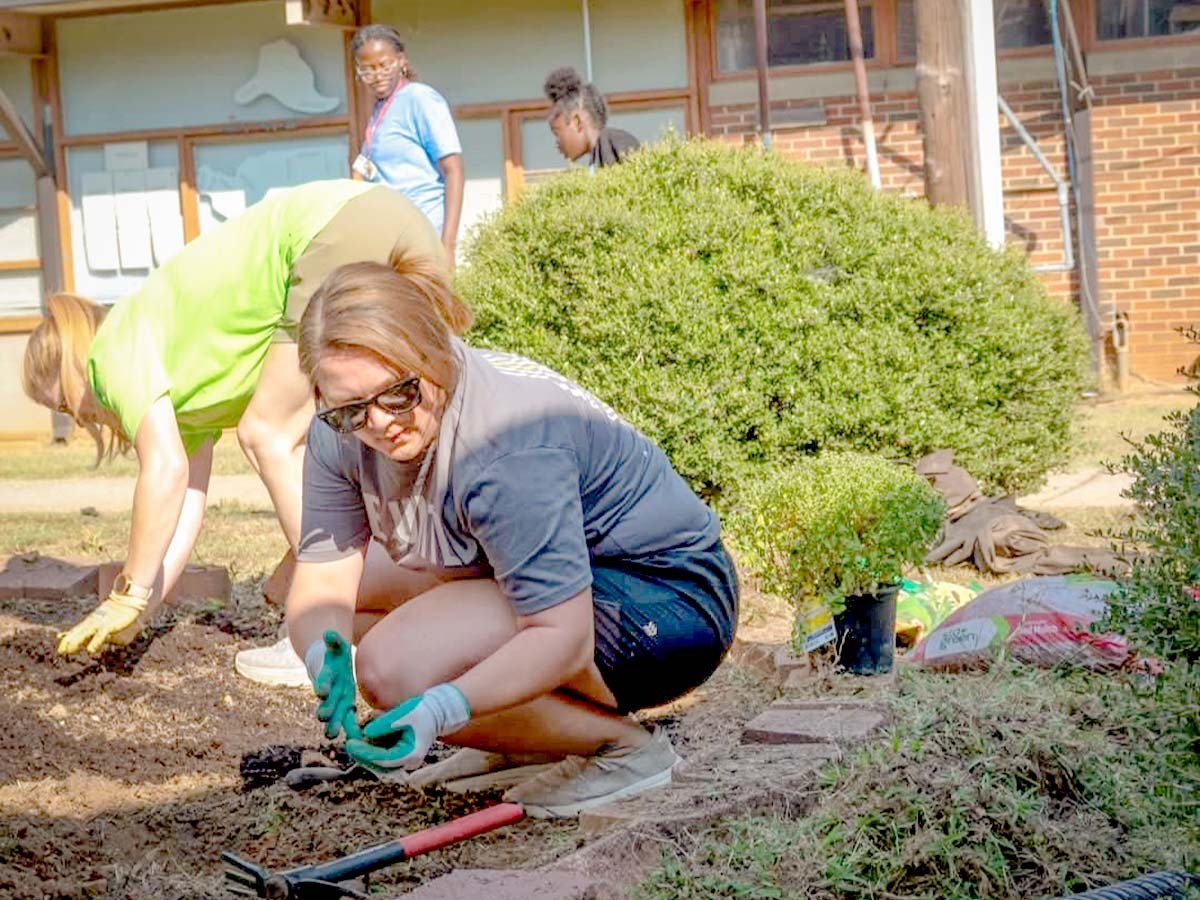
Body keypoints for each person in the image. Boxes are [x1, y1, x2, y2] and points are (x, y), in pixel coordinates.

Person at [287, 259, 739, 817]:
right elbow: (323, 580)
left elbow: (561, 635)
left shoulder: (504, 445)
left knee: (391, 669)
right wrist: (318, 656)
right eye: (352, 409)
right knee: (349, 598)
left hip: (667, 606)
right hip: (580, 581)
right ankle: (526, 737)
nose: (379, 423)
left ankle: (624, 751)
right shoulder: (341, 431)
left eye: (397, 394)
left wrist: (441, 708)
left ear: (434, 350)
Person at [21, 180, 465, 686]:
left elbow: (162, 470)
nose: (79, 419)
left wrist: (129, 590)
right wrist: (136, 615)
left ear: (73, 359)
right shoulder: (176, 383)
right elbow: (183, 502)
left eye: (62, 402)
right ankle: (443, 599)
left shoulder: (110, 351)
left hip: (331, 232)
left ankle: (326, 631)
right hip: (387, 216)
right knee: (377, 420)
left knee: (267, 432)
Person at [351, 25, 464, 268]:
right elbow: (364, 168)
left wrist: (448, 245)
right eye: (368, 70)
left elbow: (453, 170)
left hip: (423, 236)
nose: (378, 75)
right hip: (391, 239)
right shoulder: (380, 109)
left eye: (384, 65)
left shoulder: (420, 99)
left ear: (401, 61)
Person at [543, 67, 640, 169]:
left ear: (577, 122)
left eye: (557, 133)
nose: (557, 144)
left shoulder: (618, 147)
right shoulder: (600, 156)